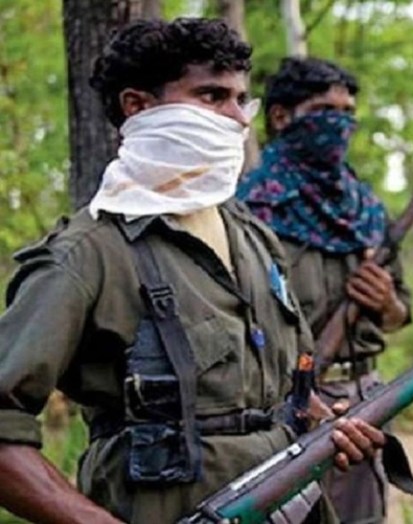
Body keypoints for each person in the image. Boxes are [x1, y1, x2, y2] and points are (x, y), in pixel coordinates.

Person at [0, 18, 385, 524]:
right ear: (137, 106)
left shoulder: (253, 237)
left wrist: (324, 423)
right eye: (212, 96)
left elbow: (283, 388)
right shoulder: (88, 254)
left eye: (241, 99)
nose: (238, 118)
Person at [237, 56, 412, 524]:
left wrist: (386, 302)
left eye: (347, 112)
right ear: (281, 117)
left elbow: (400, 315)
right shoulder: (250, 211)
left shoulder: (366, 210)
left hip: (364, 399)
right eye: (324, 111)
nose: (340, 123)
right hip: (279, 407)